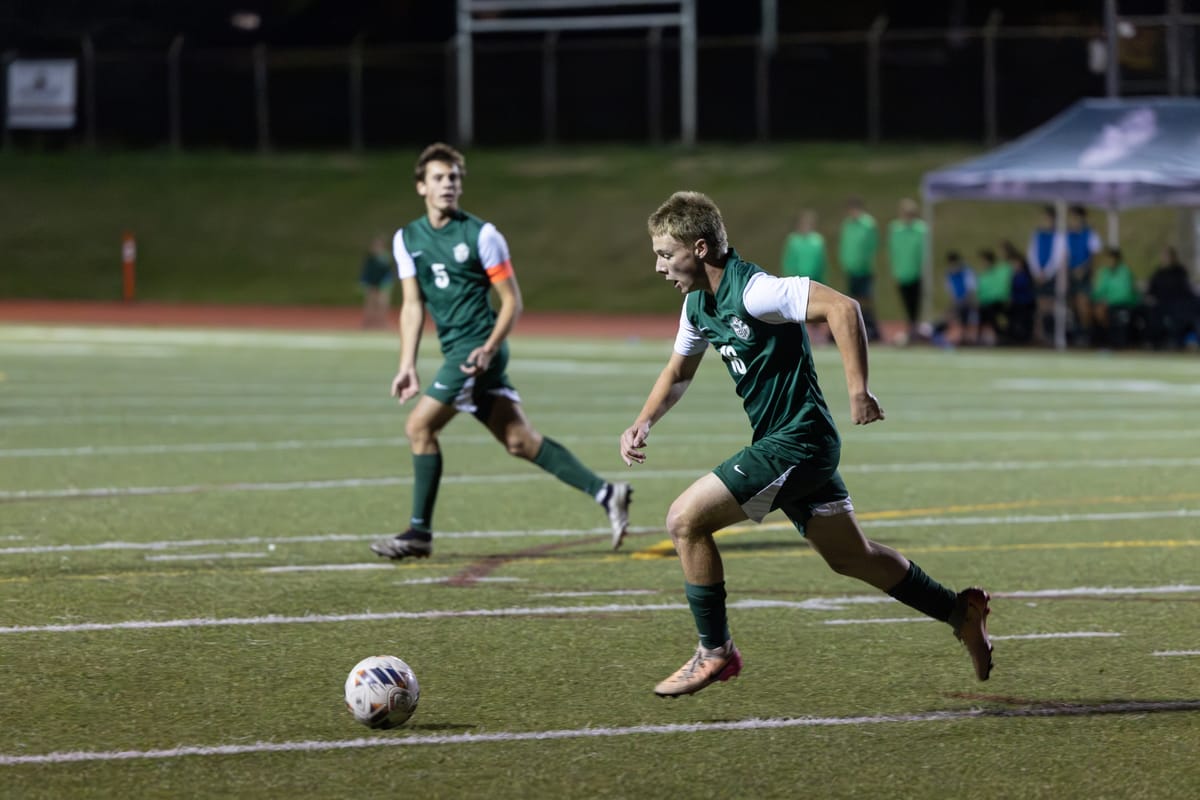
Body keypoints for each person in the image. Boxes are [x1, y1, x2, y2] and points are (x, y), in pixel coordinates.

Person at [621, 190, 992, 698]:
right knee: (852, 557)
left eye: (666, 254)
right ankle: (960, 612)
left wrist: (858, 389)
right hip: (788, 444)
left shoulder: (756, 291)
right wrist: (644, 420)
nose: (658, 265)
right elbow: (678, 371)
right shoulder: (696, 305)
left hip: (798, 442)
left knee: (684, 521)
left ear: (701, 248)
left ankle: (715, 652)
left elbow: (843, 308)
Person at [371, 142, 632, 559]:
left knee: (419, 428)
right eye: (439, 178)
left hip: (477, 351)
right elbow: (412, 305)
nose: (448, 185)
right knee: (519, 441)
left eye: (454, 178)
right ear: (421, 186)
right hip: (457, 351)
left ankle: (418, 533)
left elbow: (511, 302)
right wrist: (407, 364)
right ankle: (607, 493)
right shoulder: (407, 239)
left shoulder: (482, 235)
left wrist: (490, 348)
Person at [838, 197, 880, 341]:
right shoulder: (847, 225)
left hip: (865, 268)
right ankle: (854, 327)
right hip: (852, 268)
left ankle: (871, 327)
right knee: (852, 299)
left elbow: (872, 245)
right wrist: (845, 262)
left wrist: (869, 263)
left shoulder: (868, 224)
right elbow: (845, 245)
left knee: (866, 298)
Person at [1144, 245, 1199, 350]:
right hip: (1160, 305)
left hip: (1179, 304)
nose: (1166, 259)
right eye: (1164, 256)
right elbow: (1150, 291)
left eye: (1168, 256)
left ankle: (1180, 341)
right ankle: (1155, 342)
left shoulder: (1180, 272)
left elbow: (1186, 289)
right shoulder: (1158, 273)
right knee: (1151, 313)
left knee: (1184, 313)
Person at [887, 198, 926, 343]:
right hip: (902, 272)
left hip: (916, 272)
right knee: (906, 303)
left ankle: (914, 329)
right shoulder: (895, 229)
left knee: (915, 304)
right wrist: (895, 270)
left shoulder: (921, 229)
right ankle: (911, 329)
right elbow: (893, 251)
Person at [1027, 205, 1066, 345]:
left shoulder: (1059, 235)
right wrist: (1037, 272)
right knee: (1040, 306)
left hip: (1052, 275)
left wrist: (1047, 272)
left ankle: (1053, 334)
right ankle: (1040, 335)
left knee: (1051, 305)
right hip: (1039, 275)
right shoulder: (1037, 234)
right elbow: (1032, 253)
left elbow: (1057, 256)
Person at [1065, 205, 1103, 344]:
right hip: (1071, 274)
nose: (1075, 220)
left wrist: (1085, 269)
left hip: (1085, 274)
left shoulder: (1090, 233)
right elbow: (1064, 255)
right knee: (1073, 305)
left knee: (1084, 305)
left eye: (1077, 217)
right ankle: (1078, 333)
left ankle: (1088, 334)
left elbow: (1096, 254)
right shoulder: (1067, 235)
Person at [1090, 246, 1139, 349]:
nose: (1109, 262)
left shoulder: (1125, 272)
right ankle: (1104, 341)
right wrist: (1095, 299)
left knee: (1109, 313)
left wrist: (1108, 300)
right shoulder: (1104, 272)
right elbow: (1100, 291)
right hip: (1109, 304)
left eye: (1111, 259)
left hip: (1124, 303)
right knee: (1098, 311)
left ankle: (1116, 342)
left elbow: (1125, 293)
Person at [975, 248, 1012, 346]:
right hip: (986, 303)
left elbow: (1009, 264)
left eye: (984, 261)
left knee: (990, 313)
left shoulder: (1000, 271)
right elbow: (980, 292)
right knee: (982, 313)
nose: (982, 264)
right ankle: (980, 338)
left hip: (998, 302)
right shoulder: (983, 275)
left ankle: (1000, 337)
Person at [1003, 240, 1036, 345]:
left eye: (1015, 263)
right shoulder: (1015, 275)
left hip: (1025, 302)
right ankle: (1014, 336)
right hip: (1017, 302)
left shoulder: (1025, 275)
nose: (1014, 265)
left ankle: (1024, 338)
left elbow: (1023, 287)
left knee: (1023, 319)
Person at [780, 209, 827, 283]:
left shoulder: (817, 240)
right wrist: (789, 276)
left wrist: (823, 278)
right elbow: (788, 261)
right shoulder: (793, 240)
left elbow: (822, 261)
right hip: (797, 280)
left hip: (815, 279)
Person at [359, 235, 395, 329]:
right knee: (370, 302)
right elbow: (366, 271)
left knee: (383, 302)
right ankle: (368, 322)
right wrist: (364, 281)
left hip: (383, 283)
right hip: (372, 283)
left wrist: (387, 282)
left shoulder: (386, 257)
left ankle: (382, 322)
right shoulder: (370, 258)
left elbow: (389, 271)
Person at [944, 250, 979, 345]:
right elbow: (951, 291)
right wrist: (953, 304)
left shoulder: (967, 272)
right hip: (957, 302)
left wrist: (966, 301)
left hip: (967, 302)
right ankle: (958, 340)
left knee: (970, 321)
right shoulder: (949, 274)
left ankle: (971, 341)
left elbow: (971, 289)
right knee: (954, 320)